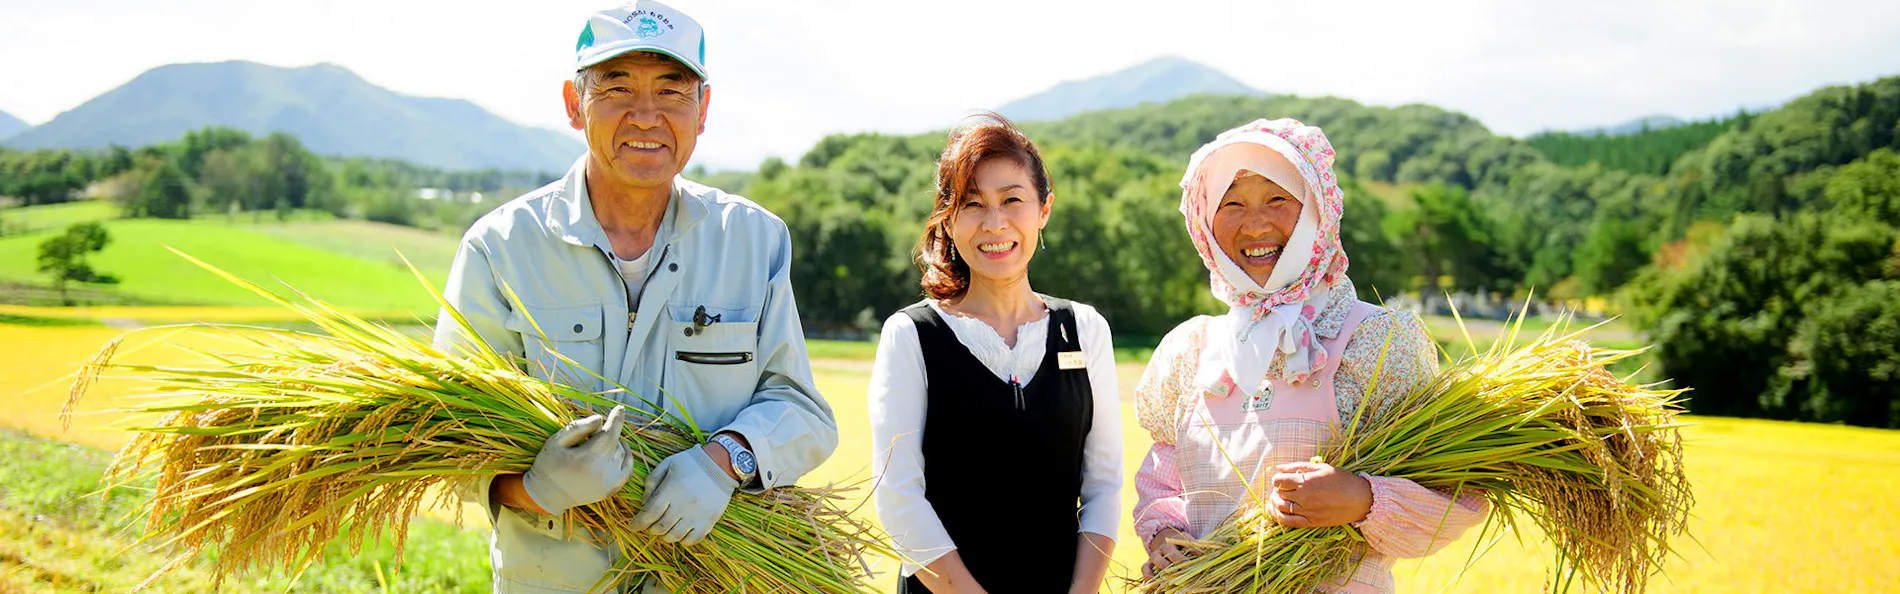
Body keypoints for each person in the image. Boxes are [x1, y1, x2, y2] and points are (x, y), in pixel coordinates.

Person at [432, 2, 837, 592]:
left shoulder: (755, 240)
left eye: (671, 91)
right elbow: (448, 442)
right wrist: (540, 489)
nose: (647, 115)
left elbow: (801, 409)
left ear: (703, 110)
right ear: (574, 104)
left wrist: (724, 462)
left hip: (710, 581)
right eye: (617, 87)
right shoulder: (501, 248)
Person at [1130, 119, 1488, 592]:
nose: (1255, 224)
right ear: (1204, 223)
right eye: (1231, 204)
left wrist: (1363, 499)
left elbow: (1453, 497)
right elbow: (1163, 482)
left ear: (1320, 210)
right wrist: (1167, 537)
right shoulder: (1191, 349)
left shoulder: (1378, 340)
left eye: (1277, 199)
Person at [867, 114, 1123, 594]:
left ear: (1044, 209)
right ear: (948, 219)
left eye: (1012, 200)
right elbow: (899, 497)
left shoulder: (1085, 329)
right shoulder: (911, 335)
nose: (995, 223)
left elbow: (1103, 487)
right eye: (972, 204)